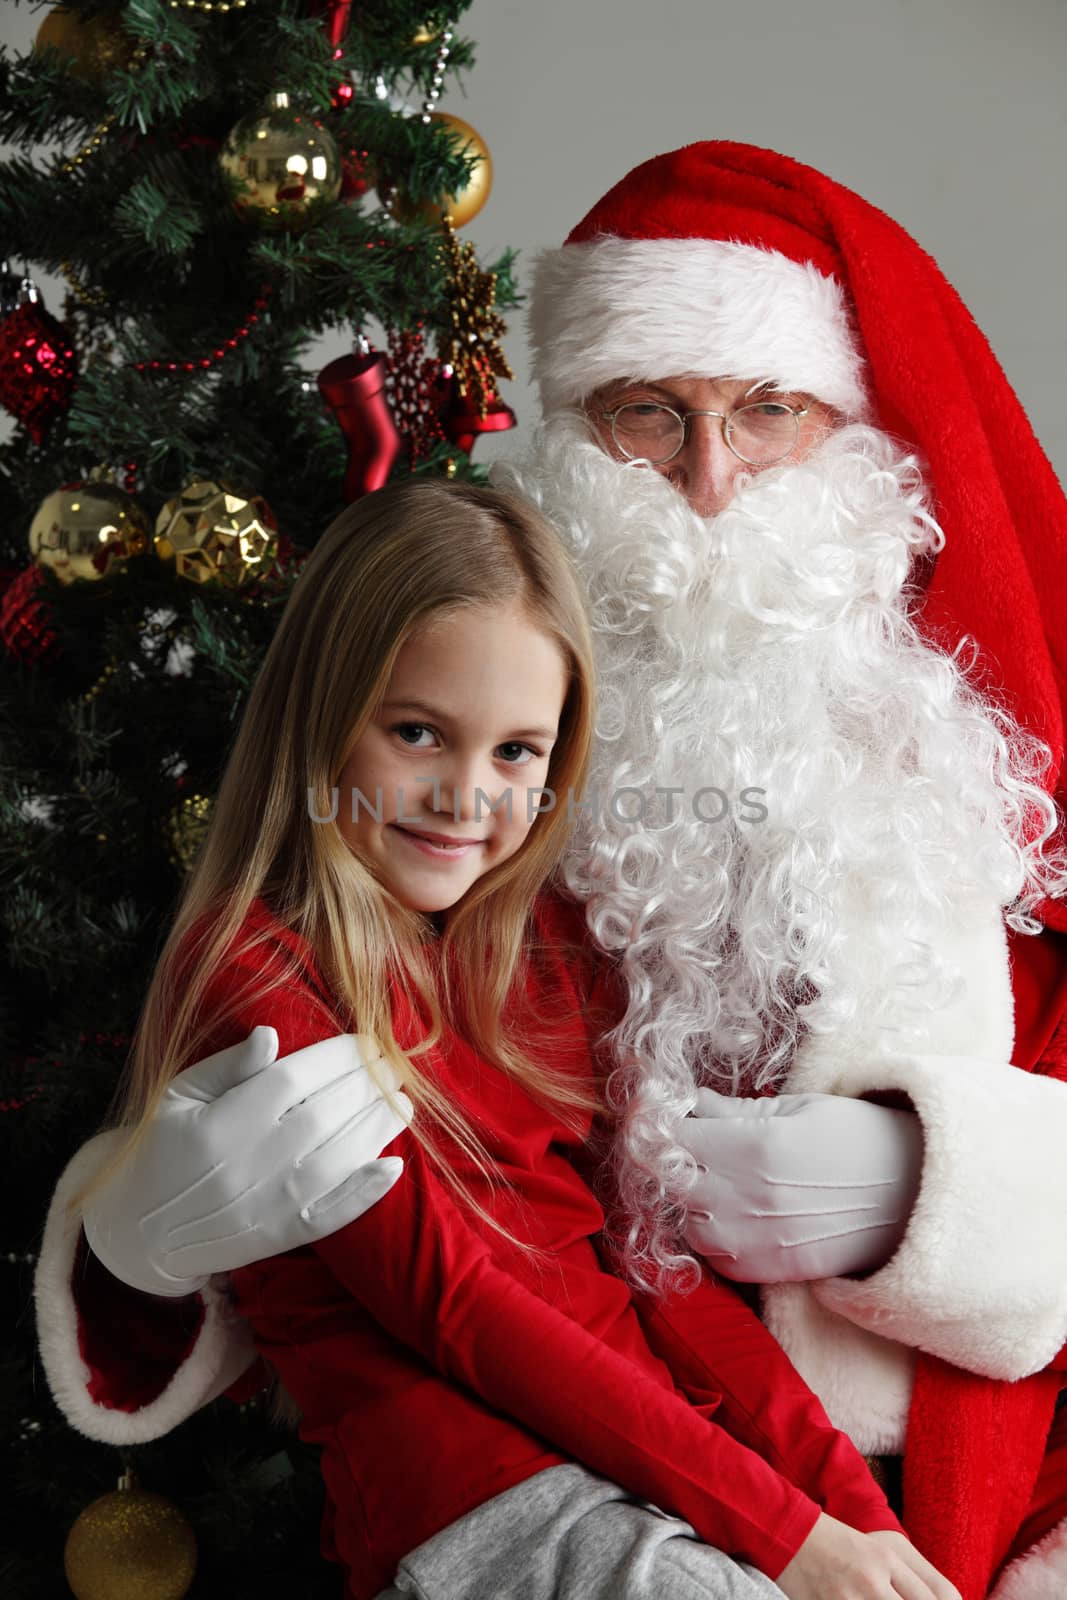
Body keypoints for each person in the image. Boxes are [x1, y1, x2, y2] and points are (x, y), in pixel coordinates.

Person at [37, 143, 1067, 1598]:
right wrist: (139, 1242)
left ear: (851, 436)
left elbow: (604, 1273)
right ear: (576, 432)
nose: (709, 482)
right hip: (594, 1483)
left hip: (907, 1473)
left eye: (767, 413)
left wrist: (948, 1190)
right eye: (650, 413)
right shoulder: (471, 871)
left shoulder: (967, 768)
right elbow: (470, 1297)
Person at [39, 476, 959, 1600]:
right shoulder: (254, 974)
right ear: (320, 712)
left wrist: (854, 1523)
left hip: (655, 1475)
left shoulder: (546, 941)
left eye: (518, 752)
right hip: (487, 1511)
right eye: (417, 731)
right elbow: (459, 1309)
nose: (465, 796)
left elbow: (660, 1276)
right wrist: (791, 1541)